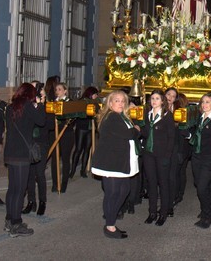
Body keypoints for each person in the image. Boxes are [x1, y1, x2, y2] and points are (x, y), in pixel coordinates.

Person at [92, 90, 141, 239]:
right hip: (111, 161)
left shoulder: (120, 116)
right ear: (110, 103)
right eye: (117, 101)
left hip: (118, 161)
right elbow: (129, 134)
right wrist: (136, 130)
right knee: (113, 193)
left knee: (123, 190)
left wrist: (134, 129)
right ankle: (110, 225)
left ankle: (110, 219)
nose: (120, 103)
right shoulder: (112, 117)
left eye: (122, 101)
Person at [3, 83, 46, 237]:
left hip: (10, 152)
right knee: (20, 190)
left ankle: (9, 220)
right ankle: (16, 223)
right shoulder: (28, 107)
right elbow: (41, 121)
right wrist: (40, 104)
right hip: (21, 154)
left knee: (12, 189)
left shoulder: (11, 107)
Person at [188, 92, 211, 229]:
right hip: (197, 156)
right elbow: (198, 137)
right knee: (201, 185)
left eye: (207, 102)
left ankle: (207, 216)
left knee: (201, 188)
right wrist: (189, 135)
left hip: (209, 159)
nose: (204, 105)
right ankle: (208, 206)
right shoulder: (201, 118)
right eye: (202, 102)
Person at [141, 90, 175, 226]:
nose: (154, 101)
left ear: (162, 101)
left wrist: (167, 155)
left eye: (157, 98)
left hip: (162, 155)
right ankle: (152, 212)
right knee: (151, 183)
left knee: (163, 183)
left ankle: (163, 213)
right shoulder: (148, 115)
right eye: (152, 98)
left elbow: (171, 138)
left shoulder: (167, 116)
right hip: (149, 154)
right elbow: (145, 133)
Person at [24, 81, 49, 216]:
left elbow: (47, 124)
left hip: (41, 144)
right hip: (29, 143)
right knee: (29, 174)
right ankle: (31, 201)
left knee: (39, 174)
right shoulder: (28, 106)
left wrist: (41, 105)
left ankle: (42, 202)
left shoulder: (46, 106)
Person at [70, 86, 99, 179]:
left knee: (87, 149)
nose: (96, 96)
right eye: (95, 94)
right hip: (82, 127)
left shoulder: (96, 103)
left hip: (90, 128)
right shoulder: (82, 101)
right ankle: (72, 170)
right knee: (78, 149)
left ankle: (83, 170)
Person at [51, 82, 73, 193]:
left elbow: (72, 118)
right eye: (56, 89)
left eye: (60, 89)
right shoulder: (53, 103)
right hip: (55, 134)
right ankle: (55, 183)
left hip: (66, 134)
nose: (57, 91)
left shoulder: (69, 103)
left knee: (65, 159)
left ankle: (64, 183)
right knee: (54, 159)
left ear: (65, 91)